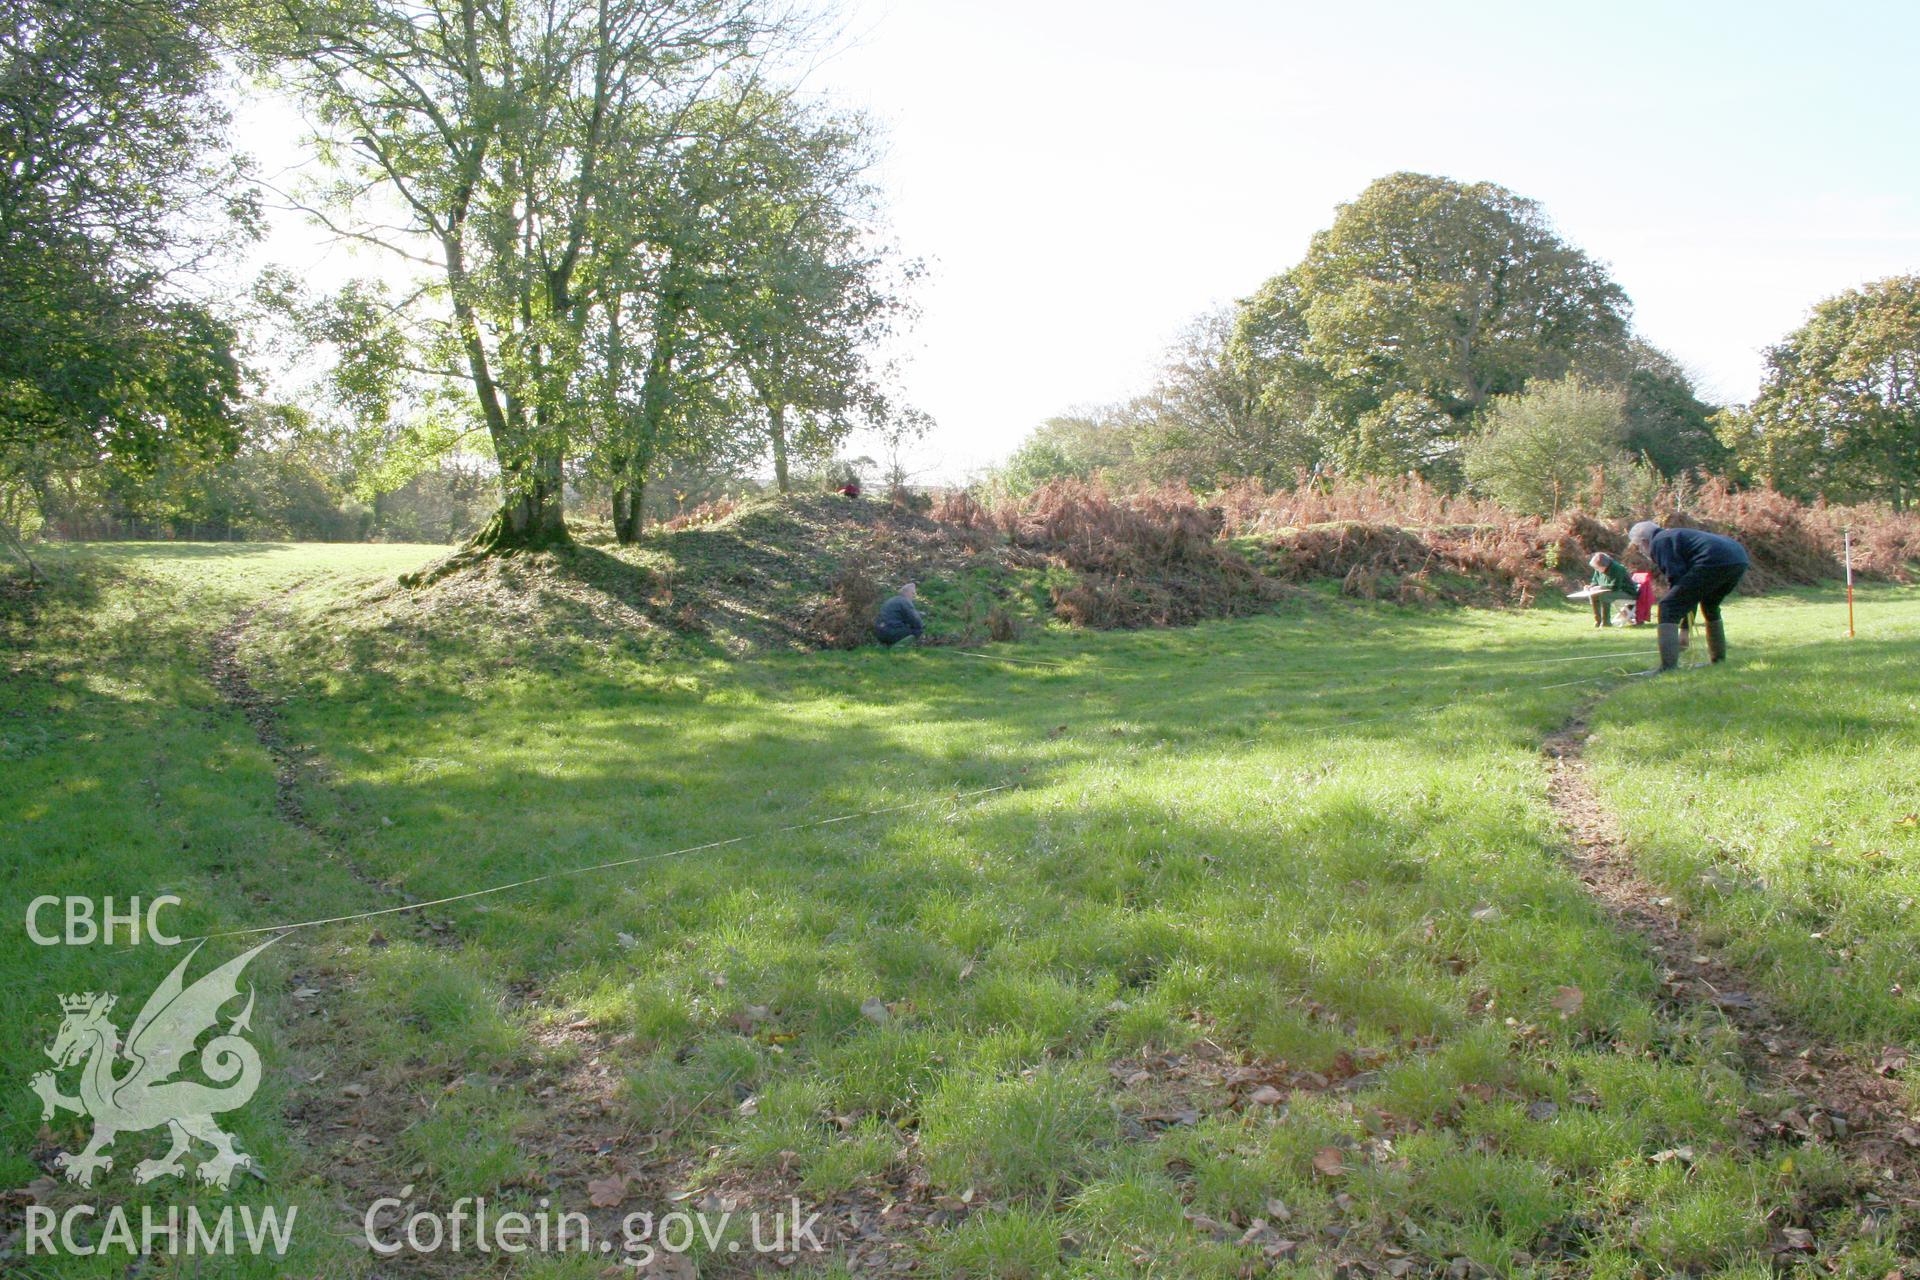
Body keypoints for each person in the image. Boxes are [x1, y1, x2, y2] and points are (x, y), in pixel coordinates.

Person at [1628, 521, 1750, 671]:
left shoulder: (1660, 542)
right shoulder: (1672, 535)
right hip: (1738, 558)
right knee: (1710, 605)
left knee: (1668, 606)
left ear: (1644, 542)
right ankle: (1718, 660)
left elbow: (1678, 583)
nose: (1642, 551)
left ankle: (1668, 668)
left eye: (1639, 548)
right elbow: (1689, 593)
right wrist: (1685, 626)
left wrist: (1684, 631)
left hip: (1714, 559)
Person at [1585, 552, 1636, 627]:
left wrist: (1601, 587)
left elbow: (1615, 587)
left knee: (1604, 595)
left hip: (1627, 592)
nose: (1596, 569)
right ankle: (1598, 621)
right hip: (1612, 591)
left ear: (1604, 566)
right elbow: (1595, 581)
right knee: (1593, 595)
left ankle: (1606, 622)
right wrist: (1590, 587)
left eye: (1597, 568)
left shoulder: (1618, 568)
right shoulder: (1598, 569)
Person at [872, 582, 925, 647]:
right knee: (918, 630)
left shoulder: (891, 600)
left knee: (901, 627)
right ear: (908, 592)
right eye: (913, 593)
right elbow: (915, 620)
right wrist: (921, 625)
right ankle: (899, 646)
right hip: (892, 632)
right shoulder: (905, 601)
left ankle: (883, 645)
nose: (914, 596)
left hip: (879, 632)